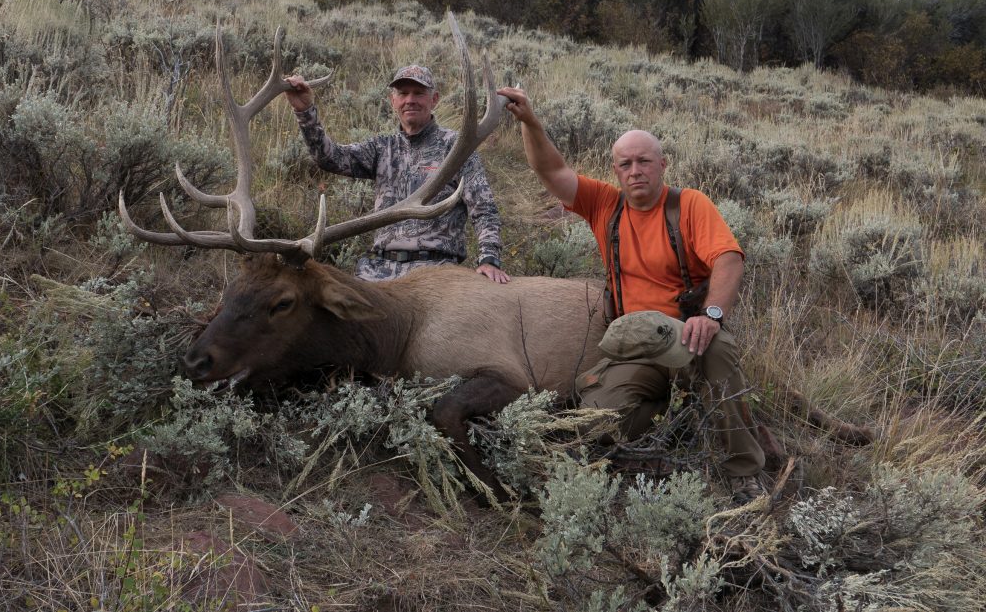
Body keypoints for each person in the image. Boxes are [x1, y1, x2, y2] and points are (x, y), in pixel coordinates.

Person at [501, 87, 765, 503]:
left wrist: (711, 315)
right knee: (594, 422)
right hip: (633, 344)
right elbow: (551, 172)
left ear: (663, 164)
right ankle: (677, 417)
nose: (635, 170)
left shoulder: (690, 204)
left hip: (687, 335)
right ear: (616, 171)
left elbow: (729, 258)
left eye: (644, 161)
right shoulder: (604, 205)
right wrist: (530, 123)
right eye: (625, 163)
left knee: (718, 356)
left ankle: (743, 471)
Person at [283, 65, 510, 283]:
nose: (410, 100)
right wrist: (304, 111)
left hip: (435, 272)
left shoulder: (457, 147)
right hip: (378, 271)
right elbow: (329, 158)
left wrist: (489, 259)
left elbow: (484, 208)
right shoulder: (382, 147)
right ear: (393, 101)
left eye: (419, 93)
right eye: (403, 93)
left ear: (434, 100)